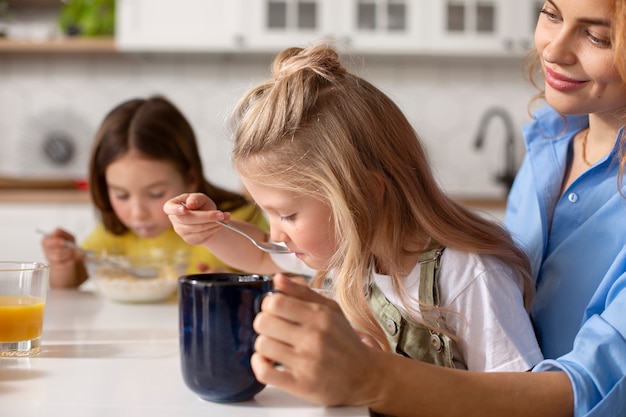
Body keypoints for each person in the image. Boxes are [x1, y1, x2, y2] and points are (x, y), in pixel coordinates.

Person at [169, 0, 626, 415]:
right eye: (550, 12)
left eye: (598, 35)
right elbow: (268, 256)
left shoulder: (467, 273)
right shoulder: (549, 143)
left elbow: (564, 384)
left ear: (367, 195)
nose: (553, 49)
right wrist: (210, 231)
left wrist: (371, 375)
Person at [41, 95, 267, 289]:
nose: (138, 213)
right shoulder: (118, 233)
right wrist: (64, 262)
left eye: (156, 193)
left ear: (190, 179)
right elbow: (69, 283)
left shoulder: (236, 220)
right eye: (121, 195)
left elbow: (282, 277)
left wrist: (238, 287)